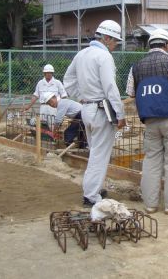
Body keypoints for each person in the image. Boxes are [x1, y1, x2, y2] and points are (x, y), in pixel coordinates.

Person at [125, 28, 168, 215]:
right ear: (167, 45)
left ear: (149, 45)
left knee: (151, 161)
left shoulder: (136, 67)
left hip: (150, 121)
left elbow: (130, 93)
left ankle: (150, 204)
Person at [64, 20, 126, 207]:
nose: (115, 45)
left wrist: (81, 97)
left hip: (87, 109)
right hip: (102, 110)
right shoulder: (104, 57)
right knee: (100, 154)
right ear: (106, 38)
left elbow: (68, 81)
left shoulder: (81, 54)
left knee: (95, 152)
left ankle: (95, 189)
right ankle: (91, 195)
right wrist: (120, 113)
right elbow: (110, 88)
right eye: (115, 41)